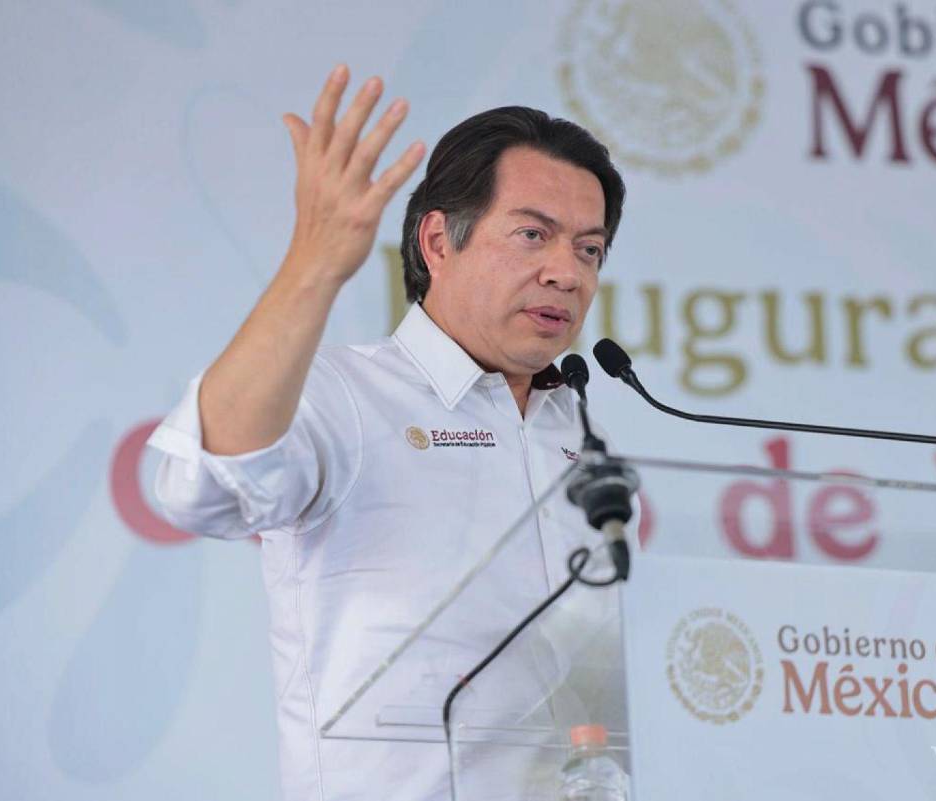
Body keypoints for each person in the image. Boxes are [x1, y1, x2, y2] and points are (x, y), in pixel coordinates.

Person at [147, 64, 628, 801]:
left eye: (588, 249)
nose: (567, 273)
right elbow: (200, 486)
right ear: (438, 241)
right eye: (534, 235)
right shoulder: (343, 394)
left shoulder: (582, 435)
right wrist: (314, 264)